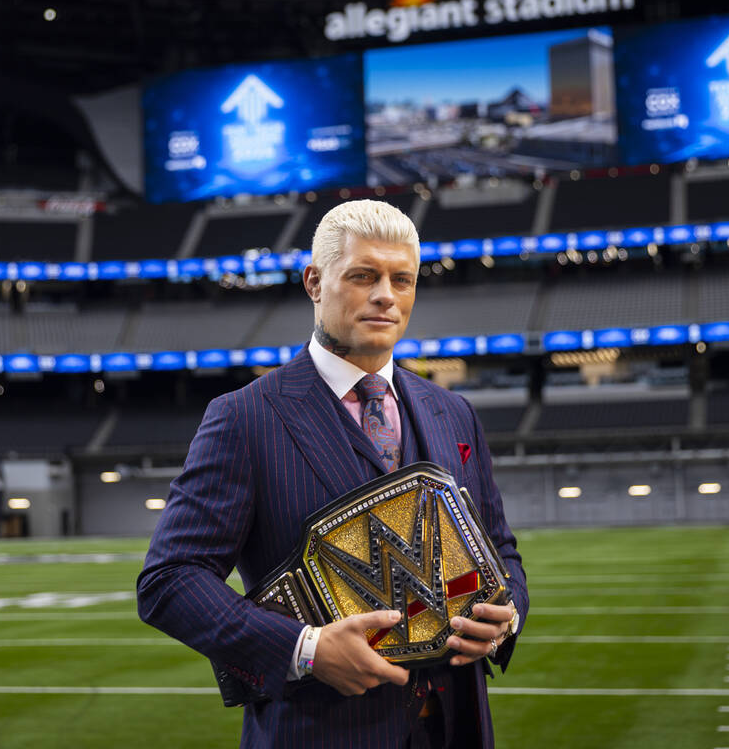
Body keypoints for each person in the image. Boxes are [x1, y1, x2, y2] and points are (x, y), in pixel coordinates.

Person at [137, 199, 528, 748]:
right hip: (318, 731)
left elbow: (500, 550)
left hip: (457, 726)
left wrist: (505, 616)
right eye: (363, 275)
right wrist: (306, 649)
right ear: (315, 283)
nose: (386, 296)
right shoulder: (245, 417)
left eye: (402, 280)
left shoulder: (453, 410)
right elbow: (169, 580)